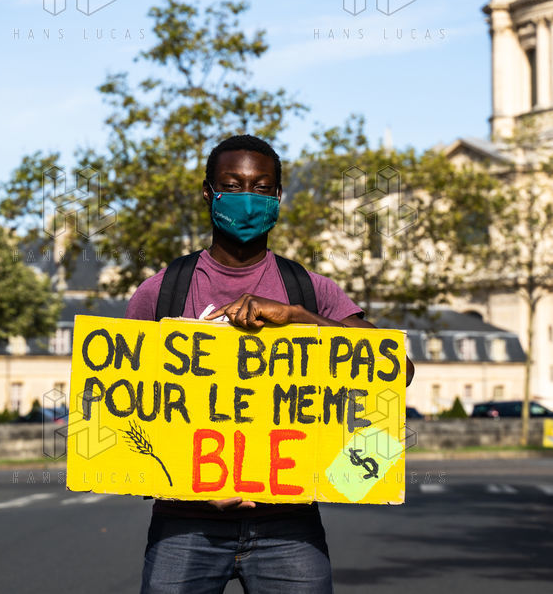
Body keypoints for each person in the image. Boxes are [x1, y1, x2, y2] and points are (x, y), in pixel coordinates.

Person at [125, 134, 415, 593]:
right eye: (232, 185)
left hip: (290, 526)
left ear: (278, 196)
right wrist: (189, 483)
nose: (248, 198)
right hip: (184, 524)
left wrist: (301, 318)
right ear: (208, 193)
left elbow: (398, 369)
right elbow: (121, 410)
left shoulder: (311, 290)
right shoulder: (161, 291)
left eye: (261, 188)